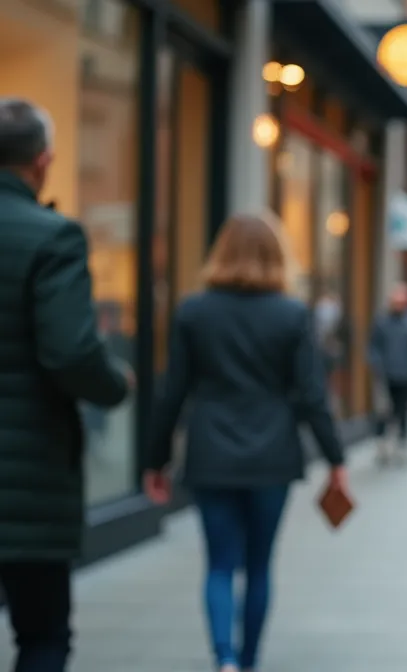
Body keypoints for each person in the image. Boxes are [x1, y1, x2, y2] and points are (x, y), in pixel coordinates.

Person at [143, 213, 350, 672]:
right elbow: (313, 396)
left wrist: (154, 461)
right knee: (259, 566)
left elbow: (171, 392)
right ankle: (249, 660)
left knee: (219, 564)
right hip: (271, 454)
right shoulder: (292, 314)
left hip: (211, 450)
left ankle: (225, 658)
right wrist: (336, 459)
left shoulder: (194, 311)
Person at [0, 98, 133, 672]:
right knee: (42, 635)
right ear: (43, 160)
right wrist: (116, 385)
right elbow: (70, 351)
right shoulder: (52, 237)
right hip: (27, 481)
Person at [367, 282, 407, 465]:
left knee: (403, 410)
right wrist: (377, 364)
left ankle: (402, 445)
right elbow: (374, 346)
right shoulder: (382, 320)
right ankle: (382, 444)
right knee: (383, 411)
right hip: (386, 374)